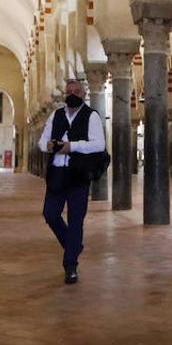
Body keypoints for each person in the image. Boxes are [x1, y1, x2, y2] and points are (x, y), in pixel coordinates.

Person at [39, 79, 106, 284]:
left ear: (84, 94)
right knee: (50, 213)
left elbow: (99, 144)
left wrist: (72, 146)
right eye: (69, 91)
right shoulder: (56, 115)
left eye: (77, 91)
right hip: (57, 173)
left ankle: (70, 266)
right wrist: (50, 146)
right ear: (65, 94)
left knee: (76, 220)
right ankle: (73, 245)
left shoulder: (91, 116)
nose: (73, 94)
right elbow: (42, 143)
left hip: (78, 174)